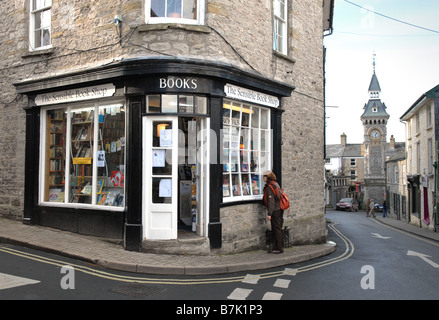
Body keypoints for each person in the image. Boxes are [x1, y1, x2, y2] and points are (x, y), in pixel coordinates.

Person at [263, 170, 284, 254]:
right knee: (278, 228)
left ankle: (279, 248)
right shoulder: (276, 184)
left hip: (275, 210)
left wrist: (269, 213)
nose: (263, 178)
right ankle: (278, 246)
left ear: (268, 177)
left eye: (265, 176)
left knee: (276, 229)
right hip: (279, 209)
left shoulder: (270, 187)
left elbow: (271, 201)